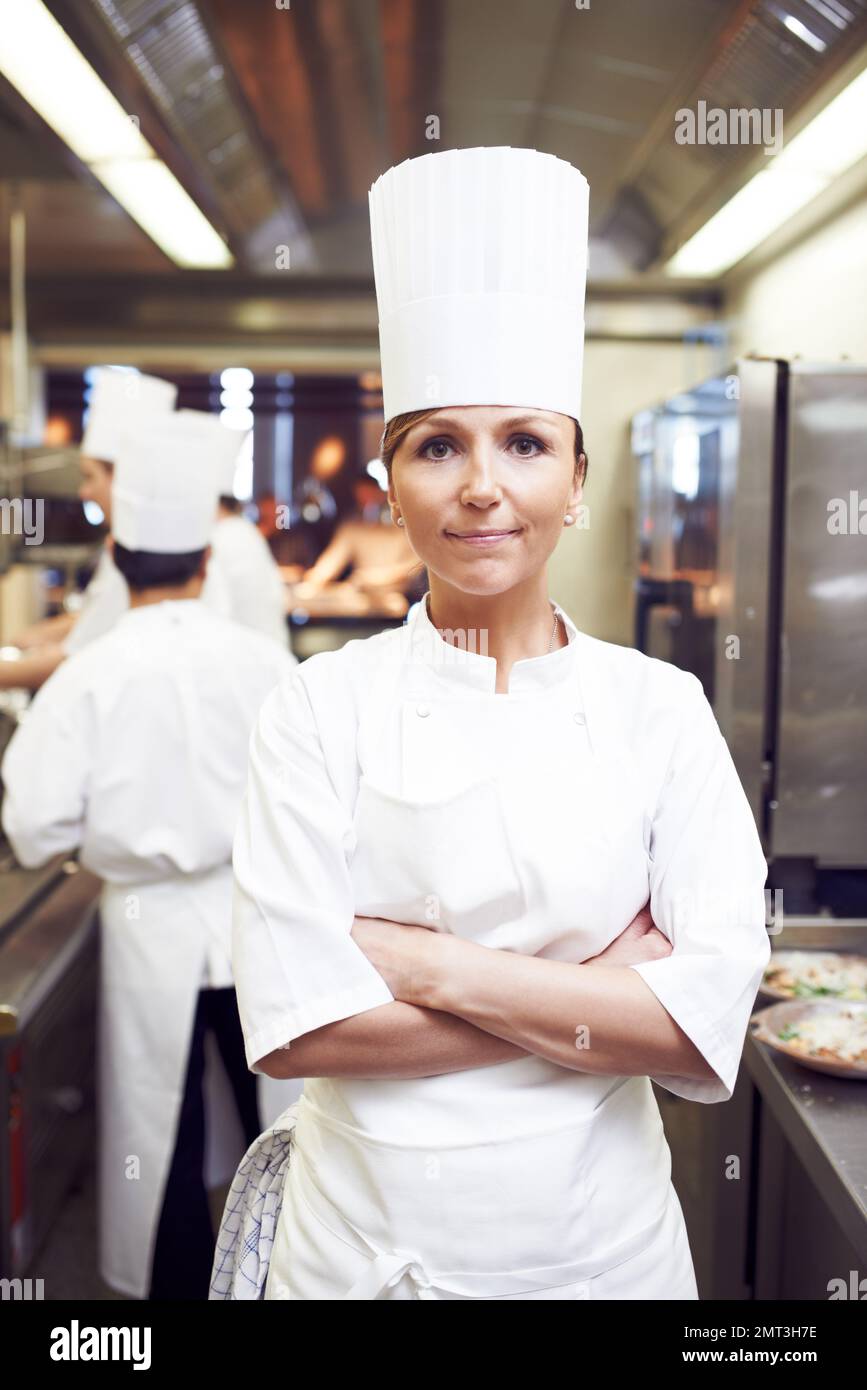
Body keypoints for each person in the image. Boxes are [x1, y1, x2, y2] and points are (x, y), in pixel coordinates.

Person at [216, 147, 771, 1302]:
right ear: (392, 481)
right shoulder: (318, 707)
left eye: (523, 442)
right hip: (360, 1260)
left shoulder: (659, 709)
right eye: (437, 445)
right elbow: (290, 1025)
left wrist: (421, 963)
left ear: (574, 480)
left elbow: (700, 1027)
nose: (481, 486)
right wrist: (603, 992)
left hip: (600, 1260)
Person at [1, 413, 298, 1300]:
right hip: (260, 918)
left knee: (157, 1134)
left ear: (119, 564)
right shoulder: (266, 663)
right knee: (276, 1122)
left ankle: (168, 1298)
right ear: (206, 564)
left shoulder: (92, 672)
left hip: (150, 922)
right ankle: (280, 1278)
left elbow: (36, 825)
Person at [0, 368, 177, 690]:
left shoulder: (145, 549)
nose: (83, 492)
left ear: (124, 476)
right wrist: (26, 640)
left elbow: (81, 657)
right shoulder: (122, 542)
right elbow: (96, 620)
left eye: (90, 477)